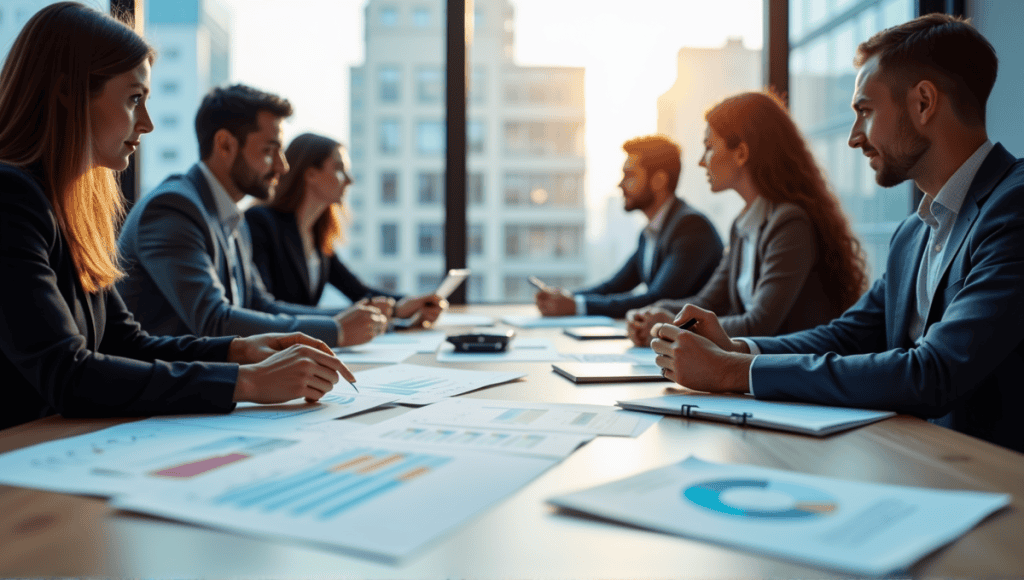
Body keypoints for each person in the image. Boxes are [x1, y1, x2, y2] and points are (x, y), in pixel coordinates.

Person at [651, 14, 1024, 453]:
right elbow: (847, 335)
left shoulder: (1013, 207)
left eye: (864, 111)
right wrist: (736, 347)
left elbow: (934, 372)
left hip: (995, 483)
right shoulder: (913, 235)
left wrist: (732, 372)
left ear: (923, 103)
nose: (853, 138)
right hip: (914, 457)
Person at [0, 2, 352, 431]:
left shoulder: (73, 210)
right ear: (67, 93)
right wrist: (247, 382)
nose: (146, 123)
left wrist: (238, 351)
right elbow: (68, 373)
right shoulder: (11, 198)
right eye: (134, 100)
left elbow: (127, 342)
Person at [117, 85, 388, 348]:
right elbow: (213, 321)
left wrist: (351, 319)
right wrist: (336, 331)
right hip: (169, 387)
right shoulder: (173, 208)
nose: (283, 166)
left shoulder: (232, 217)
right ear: (225, 145)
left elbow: (261, 305)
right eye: (269, 151)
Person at [626, 91, 868, 346]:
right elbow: (706, 303)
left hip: (795, 375)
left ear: (741, 153)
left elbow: (759, 324)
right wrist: (653, 313)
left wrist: (671, 325)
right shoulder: (743, 226)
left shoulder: (790, 224)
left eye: (709, 147)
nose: (700, 161)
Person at [245, 133, 445, 327]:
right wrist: (389, 311)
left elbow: (358, 291)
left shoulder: (316, 234)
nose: (349, 180)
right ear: (310, 174)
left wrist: (414, 302)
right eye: (340, 169)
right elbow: (266, 309)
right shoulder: (261, 223)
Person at [533, 135, 723, 319]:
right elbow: (614, 286)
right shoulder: (649, 233)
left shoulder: (691, 227)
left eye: (630, 175)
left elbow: (658, 299)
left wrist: (576, 306)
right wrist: (566, 297)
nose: (621, 184)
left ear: (659, 180)